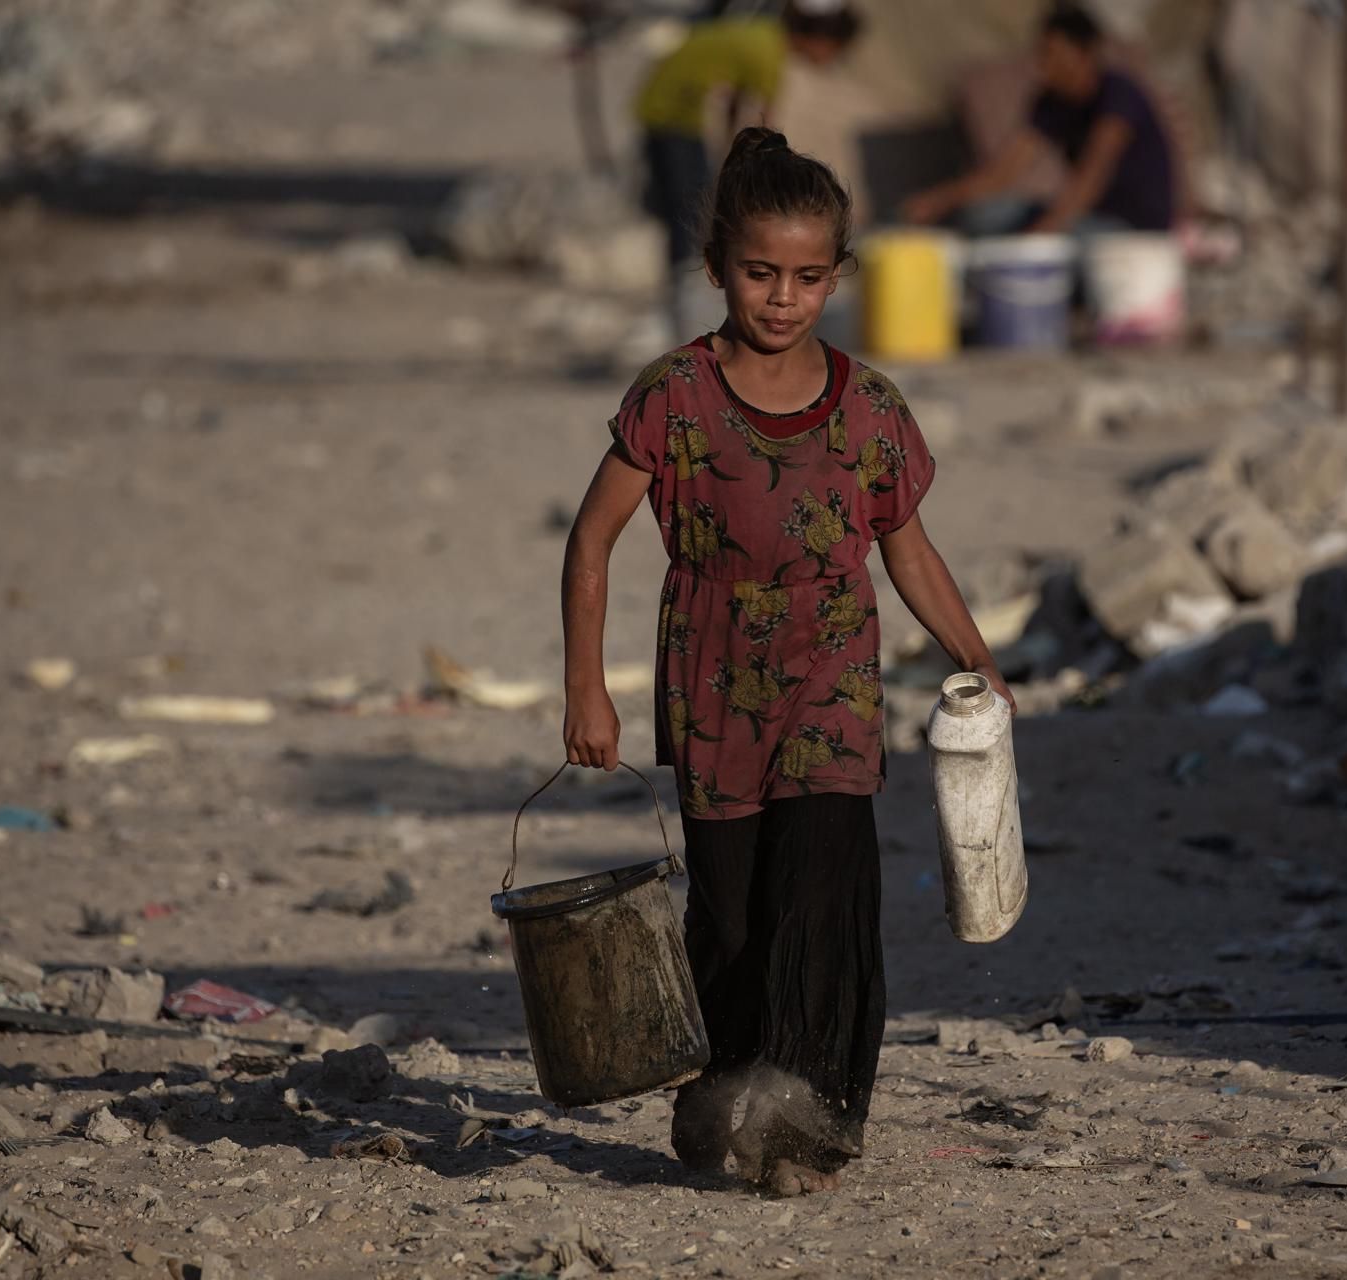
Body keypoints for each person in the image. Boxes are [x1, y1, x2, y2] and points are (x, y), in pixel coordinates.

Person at [561, 127, 1014, 1196]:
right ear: (719, 265)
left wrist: (978, 662)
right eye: (762, 272)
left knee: (825, 888)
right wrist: (588, 688)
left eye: (809, 277)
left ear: (839, 277)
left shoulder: (869, 410)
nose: (783, 297)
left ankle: (808, 1122)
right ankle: (724, 1085)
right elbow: (592, 539)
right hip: (712, 678)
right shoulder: (673, 398)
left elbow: (906, 544)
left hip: (834, 678)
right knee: (732, 913)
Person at [636, 2, 862, 331]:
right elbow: (765, 125)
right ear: (821, 39)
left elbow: (738, 106)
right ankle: (684, 300)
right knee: (688, 209)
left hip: (661, 105)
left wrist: (732, 153)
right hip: (676, 113)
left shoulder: (760, 36)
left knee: (682, 207)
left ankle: (681, 296)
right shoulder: (769, 53)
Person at [902, 3, 1176, 242]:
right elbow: (1003, 172)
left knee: (1070, 238)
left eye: (1055, 55)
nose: (1045, 66)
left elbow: (1091, 178)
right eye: (1043, 54)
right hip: (1086, 216)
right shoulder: (1052, 102)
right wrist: (939, 201)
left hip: (1131, 229)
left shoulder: (1118, 94)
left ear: (1085, 55)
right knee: (986, 214)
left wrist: (1042, 234)